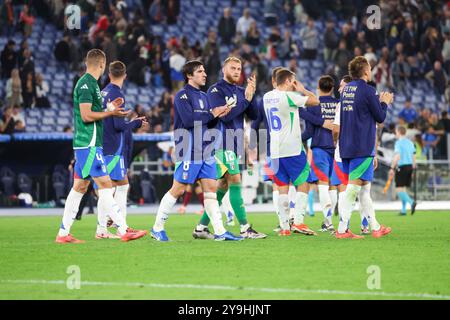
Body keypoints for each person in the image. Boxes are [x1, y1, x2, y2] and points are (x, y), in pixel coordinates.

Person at [55, 49, 147, 244]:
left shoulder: (94, 85)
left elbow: (92, 114)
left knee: (80, 187)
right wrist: (110, 114)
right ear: (102, 64)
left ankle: (63, 233)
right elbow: (87, 116)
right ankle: (124, 229)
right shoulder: (87, 84)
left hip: (87, 144)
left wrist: (108, 110)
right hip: (88, 144)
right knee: (106, 185)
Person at [150, 60, 242, 242]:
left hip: (205, 150)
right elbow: (188, 119)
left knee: (210, 189)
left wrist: (219, 115)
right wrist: (212, 114)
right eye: (200, 71)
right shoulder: (182, 96)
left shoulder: (204, 96)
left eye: (204, 71)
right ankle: (157, 228)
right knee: (177, 190)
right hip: (188, 149)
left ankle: (220, 231)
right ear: (189, 75)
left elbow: (208, 121)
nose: (204, 74)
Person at [192, 57, 266, 240]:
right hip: (220, 142)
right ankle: (245, 228)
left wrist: (252, 94)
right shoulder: (215, 90)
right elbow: (223, 116)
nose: (236, 71)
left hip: (235, 143)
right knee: (234, 180)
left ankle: (201, 227)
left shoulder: (241, 91)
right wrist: (245, 100)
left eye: (239, 69)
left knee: (223, 185)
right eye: (233, 68)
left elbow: (254, 115)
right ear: (224, 69)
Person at [336, 56, 393, 239]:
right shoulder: (369, 91)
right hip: (362, 146)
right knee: (354, 187)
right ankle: (342, 229)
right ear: (366, 71)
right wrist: (384, 102)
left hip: (346, 145)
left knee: (364, 187)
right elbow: (380, 118)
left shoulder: (345, 91)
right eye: (370, 67)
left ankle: (375, 227)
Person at [263, 68, 320, 236]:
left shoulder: (267, 96)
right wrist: (302, 90)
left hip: (274, 150)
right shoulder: (289, 97)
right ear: (287, 81)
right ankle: (299, 222)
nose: (294, 84)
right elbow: (315, 101)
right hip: (292, 149)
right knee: (304, 183)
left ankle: (284, 227)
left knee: (282, 188)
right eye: (293, 81)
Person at [99, 60, 149, 237]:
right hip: (113, 146)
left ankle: (102, 229)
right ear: (125, 76)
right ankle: (122, 228)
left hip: (102, 143)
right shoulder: (116, 94)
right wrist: (135, 122)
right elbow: (119, 126)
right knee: (116, 187)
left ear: (109, 74)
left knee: (110, 187)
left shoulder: (102, 92)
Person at [301, 76, 339, 232]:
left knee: (322, 184)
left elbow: (309, 131)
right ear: (332, 88)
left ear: (318, 86)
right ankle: (330, 220)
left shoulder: (314, 104)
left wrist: (298, 139)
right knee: (332, 185)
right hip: (337, 148)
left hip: (319, 148)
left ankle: (328, 221)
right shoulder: (338, 104)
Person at [389, 126, 417, 216]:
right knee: (403, 189)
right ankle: (404, 210)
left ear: (399, 132)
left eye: (396, 132)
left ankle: (411, 202)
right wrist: (413, 169)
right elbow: (414, 157)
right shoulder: (410, 142)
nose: (395, 134)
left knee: (399, 189)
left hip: (402, 167)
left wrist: (392, 168)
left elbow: (397, 156)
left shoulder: (398, 143)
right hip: (410, 167)